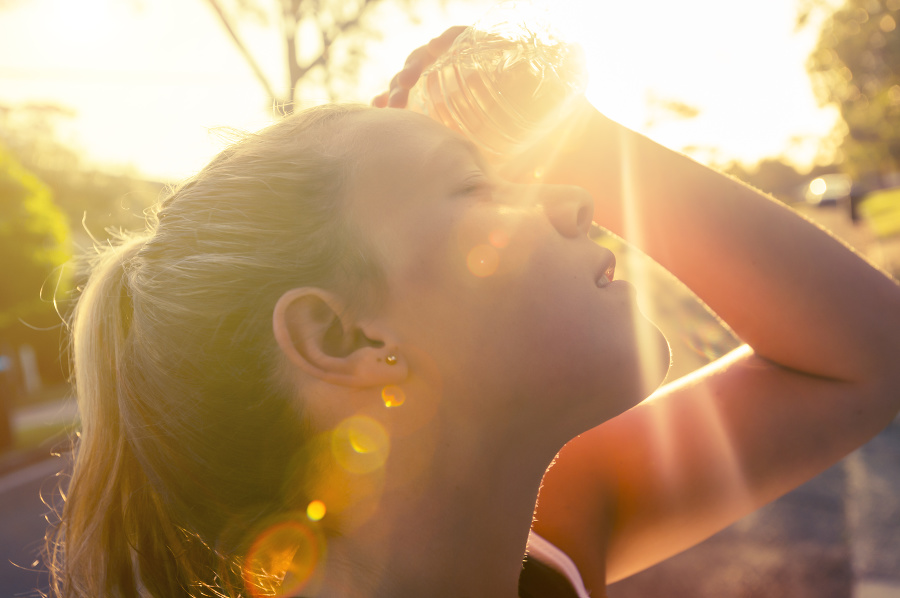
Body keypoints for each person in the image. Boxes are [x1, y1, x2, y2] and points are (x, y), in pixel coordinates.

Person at [46, 27, 900, 598]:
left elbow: (871, 352)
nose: (575, 198)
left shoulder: (550, 550)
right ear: (340, 335)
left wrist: (578, 136)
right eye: (472, 187)